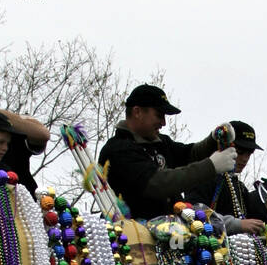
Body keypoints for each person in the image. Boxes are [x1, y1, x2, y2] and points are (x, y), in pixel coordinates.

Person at [98, 86, 237, 220]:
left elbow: (190, 154)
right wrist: (211, 166)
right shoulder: (118, 149)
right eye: (159, 115)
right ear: (137, 112)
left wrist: (213, 139)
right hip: (133, 237)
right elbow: (158, 183)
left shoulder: (160, 142)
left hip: (170, 233)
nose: (163, 123)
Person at [210, 119, 266, 236]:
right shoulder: (206, 177)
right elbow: (194, 214)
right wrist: (238, 225)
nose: (245, 159)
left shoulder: (241, 188)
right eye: (240, 152)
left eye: (249, 154)